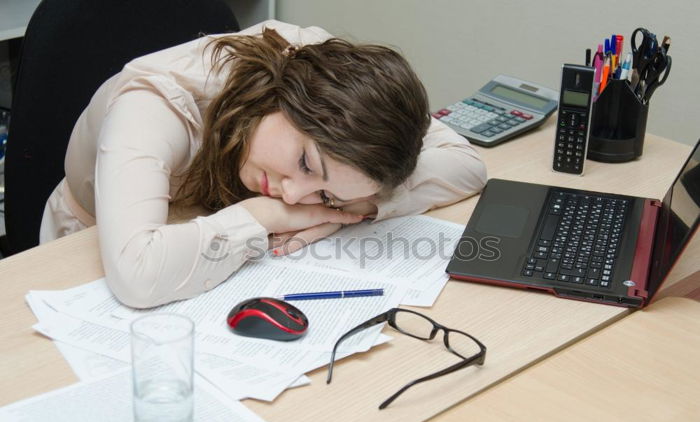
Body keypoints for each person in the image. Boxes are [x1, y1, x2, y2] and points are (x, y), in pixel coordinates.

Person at [39, 20, 486, 308]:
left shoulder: (338, 83)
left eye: (324, 193)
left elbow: (467, 165)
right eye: (307, 164)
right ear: (285, 98)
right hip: (92, 246)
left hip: (216, 250)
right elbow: (137, 274)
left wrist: (355, 209)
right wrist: (264, 214)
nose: (294, 195)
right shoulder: (155, 106)